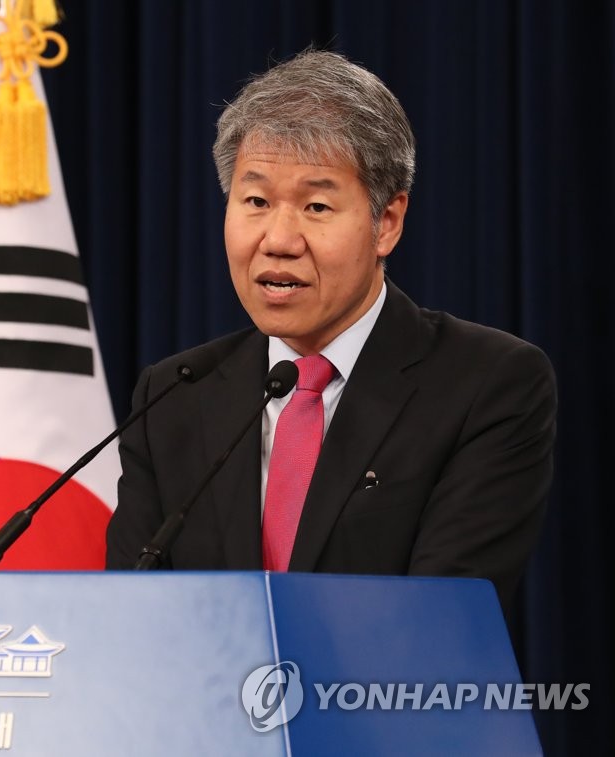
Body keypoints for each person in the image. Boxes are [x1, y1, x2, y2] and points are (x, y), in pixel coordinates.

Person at [105, 49, 556, 621]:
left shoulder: (488, 384)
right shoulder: (174, 395)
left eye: (316, 206)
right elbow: (133, 617)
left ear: (386, 223)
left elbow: (438, 621)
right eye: (256, 201)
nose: (278, 240)